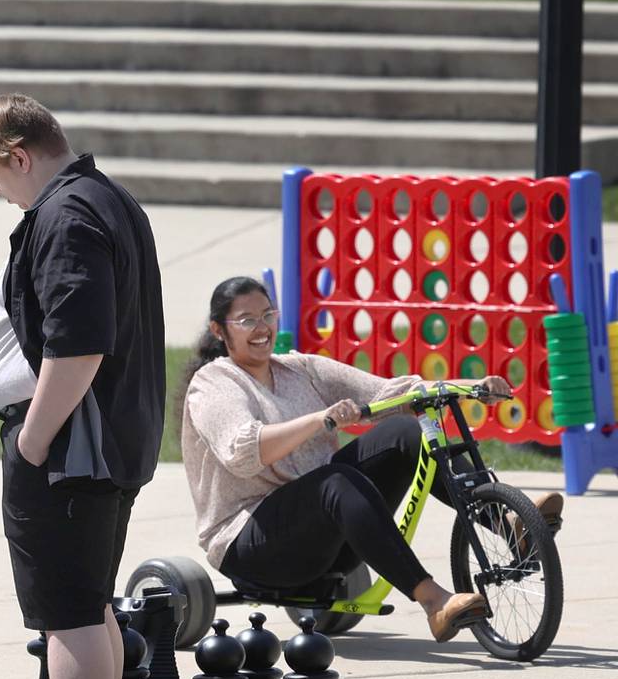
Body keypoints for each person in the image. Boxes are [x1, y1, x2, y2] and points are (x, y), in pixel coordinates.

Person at [0, 94, 166, 679]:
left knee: (69, 618)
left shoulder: (65, 216)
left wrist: (33, 437)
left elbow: (77, 345)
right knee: (91, 609)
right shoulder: (109, 199)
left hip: (72, 450)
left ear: (18, 156)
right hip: (113, 443)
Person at [179, 275, 564, 642]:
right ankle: (434, 601)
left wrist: (470, 388)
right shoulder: (214, 383)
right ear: (219, 330)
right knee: (335, 482)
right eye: (247, 320)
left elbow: (392, 394)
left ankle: (509, 522)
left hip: (325, 538)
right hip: (252, 547)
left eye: (267, 315)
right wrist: (319, 419)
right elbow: (245, 453)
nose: (261, 327)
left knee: (406, 431)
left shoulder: (300, 369)